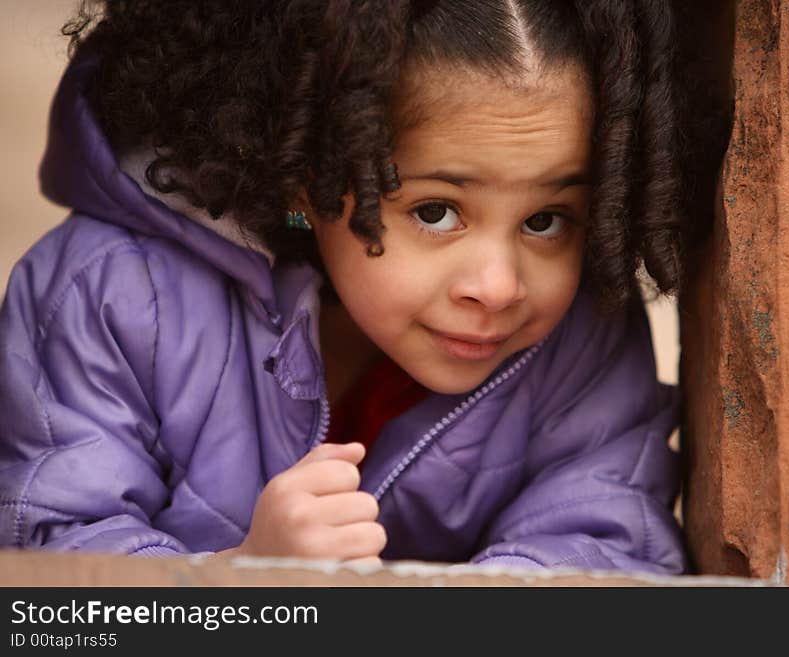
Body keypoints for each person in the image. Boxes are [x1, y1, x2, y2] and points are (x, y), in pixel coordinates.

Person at [0, 0, 687, 574]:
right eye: (436, 212)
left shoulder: (580, 337)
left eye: (545, 219)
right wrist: (241, 581)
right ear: (308, 176)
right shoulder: (112, 294)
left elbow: (607, 551)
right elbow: (52, 570)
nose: (499, 286)